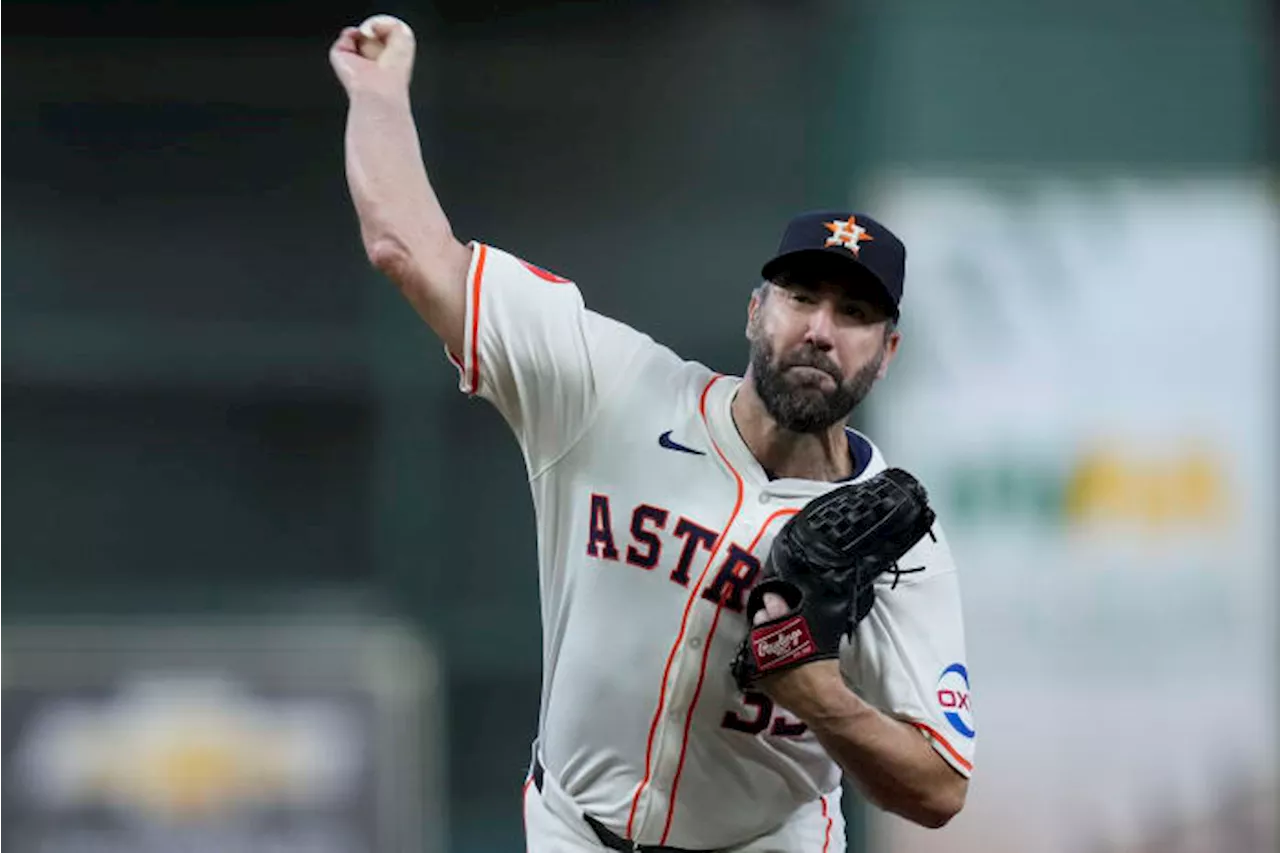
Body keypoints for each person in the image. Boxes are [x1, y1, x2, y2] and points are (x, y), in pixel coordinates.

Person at [330, 15, 974, 852]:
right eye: (801, 298)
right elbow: (408, 249)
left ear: (886, 353)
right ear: (756, 310)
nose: (821, 329)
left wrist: (818, 693)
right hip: (574, 831)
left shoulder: (901, 550)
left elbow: (940, 788)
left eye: (854, 313)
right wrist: (378, 96)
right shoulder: (612, 388)